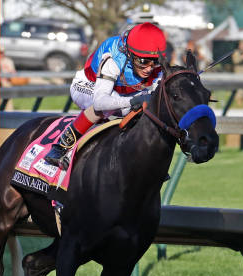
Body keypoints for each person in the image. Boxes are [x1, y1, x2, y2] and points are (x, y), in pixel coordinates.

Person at [44, 22, 167, 169]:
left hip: (120, 92)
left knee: (148, 106)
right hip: (88, 86)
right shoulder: (113, 58)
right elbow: (100, 102)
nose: (149, 68)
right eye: (143, 61)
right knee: (107, 107)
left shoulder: (154, 66)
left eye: (155, 62)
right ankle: (61, 148)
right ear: (129, 53)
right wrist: (134, 100)